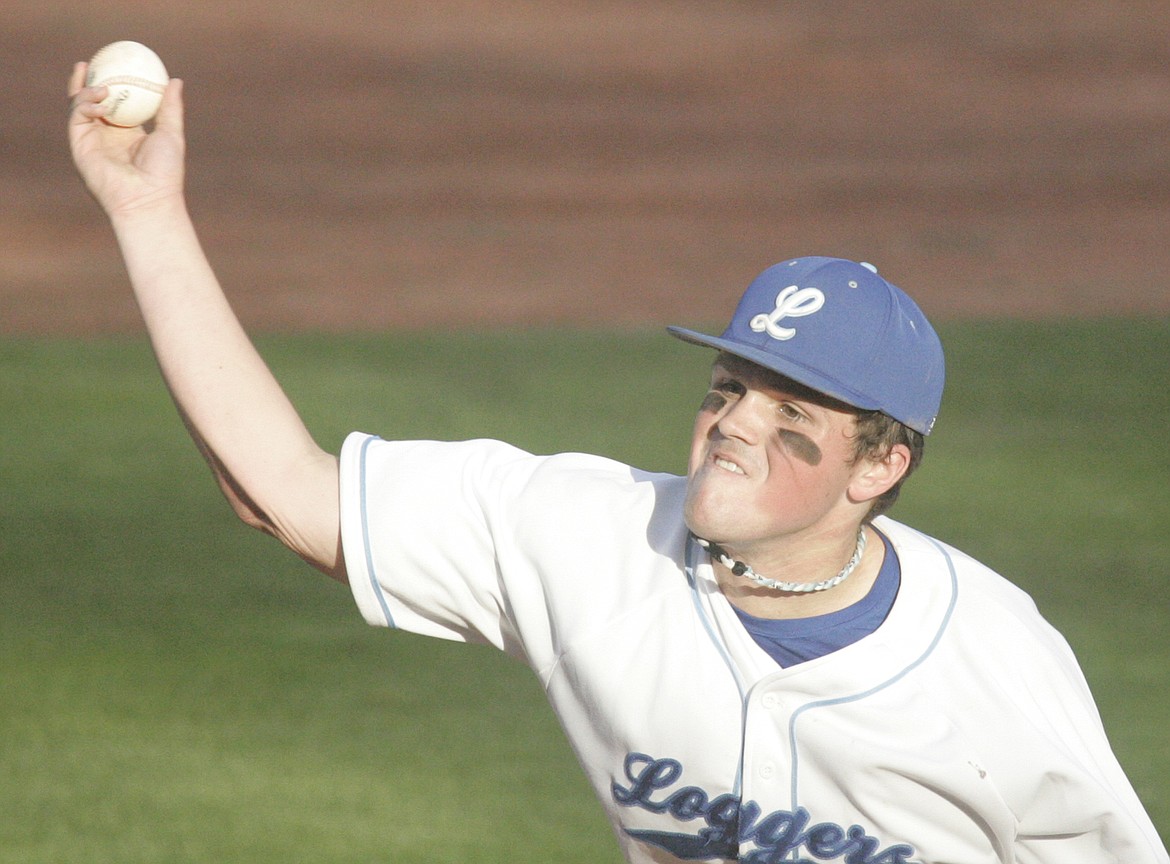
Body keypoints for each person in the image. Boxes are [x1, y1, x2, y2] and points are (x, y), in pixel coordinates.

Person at [67, 65, 1167, 864]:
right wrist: (147, 207)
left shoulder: (994, 664)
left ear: (877, 466)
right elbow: (285, 494)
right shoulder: (587, 538)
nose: (734, 420)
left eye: (793, 411)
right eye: (731, 385)